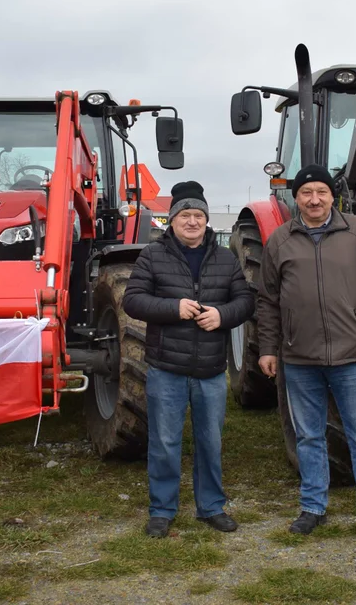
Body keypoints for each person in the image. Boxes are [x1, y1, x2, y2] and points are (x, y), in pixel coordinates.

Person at [257, 163, 356, 553]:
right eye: (306, 193)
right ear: (296, 198)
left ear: (332, 196)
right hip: (298, 358)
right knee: (308, 436)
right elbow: (267, 300)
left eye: (321, 191)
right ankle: (313, 507)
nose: (314, 199)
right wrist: (268, 348)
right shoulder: (280, 240)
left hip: (351, 356)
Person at [122, 180, 255, 538]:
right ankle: (162, 510)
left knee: (210, 442)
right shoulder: (153, 255)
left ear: (207, 220)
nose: (192, 221)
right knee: (165, 441)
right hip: (167, 368)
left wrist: (222, 316)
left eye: (198, 215)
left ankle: (211, 507)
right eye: (185, 215)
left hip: (211, 370)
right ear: (173, 219)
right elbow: (132, 300)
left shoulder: (226, 258)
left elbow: (245, 301)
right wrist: (173, 308)